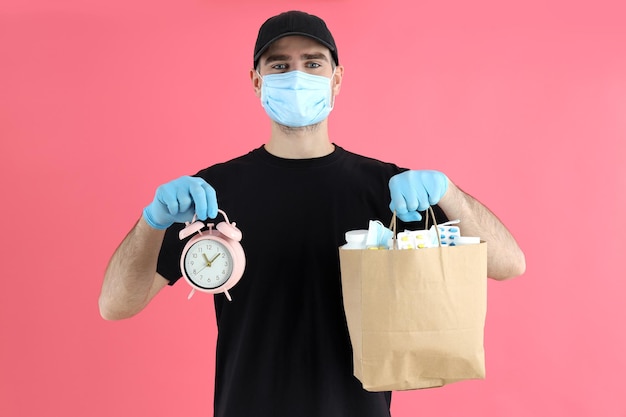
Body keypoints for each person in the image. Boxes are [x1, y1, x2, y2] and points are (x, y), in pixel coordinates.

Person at [99, 10, 526, 417]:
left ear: (337, 79)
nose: (297, 77)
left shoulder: (390, 191)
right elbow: (114, 305)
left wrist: (448, 192)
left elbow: (509, 263)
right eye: (280, 66)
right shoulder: (210, 196)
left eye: (313, 63)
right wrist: (152, 220)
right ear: (256, 81)